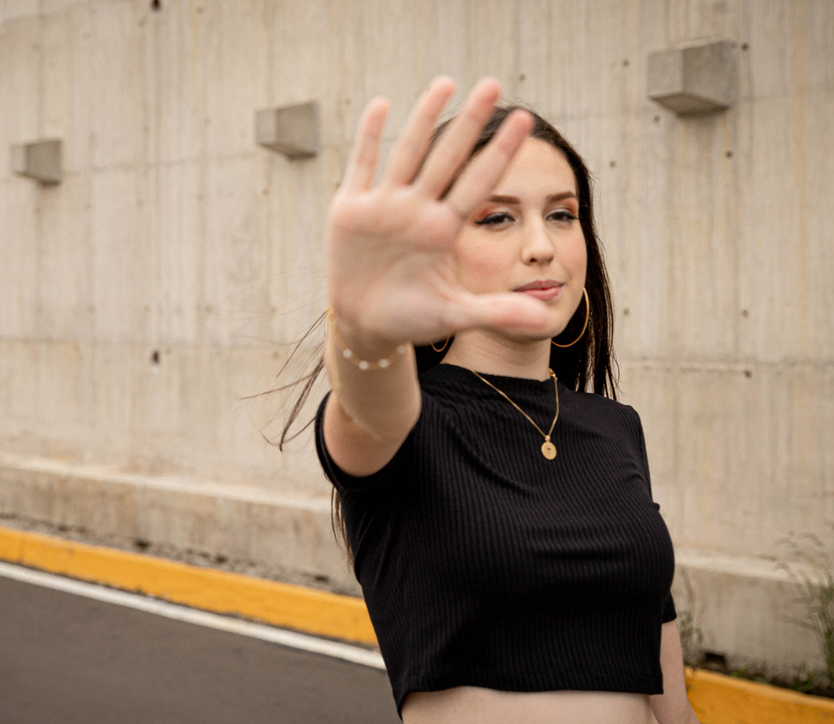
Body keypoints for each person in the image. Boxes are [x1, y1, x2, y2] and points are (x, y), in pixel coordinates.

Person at [281, 75, 699, 724]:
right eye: (497, 217)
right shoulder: (404, 425)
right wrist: (366, 328)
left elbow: (670, 700)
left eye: (562, 214)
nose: (541, 245)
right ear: (435, 252)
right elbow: (369, 398)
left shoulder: (615, 428)